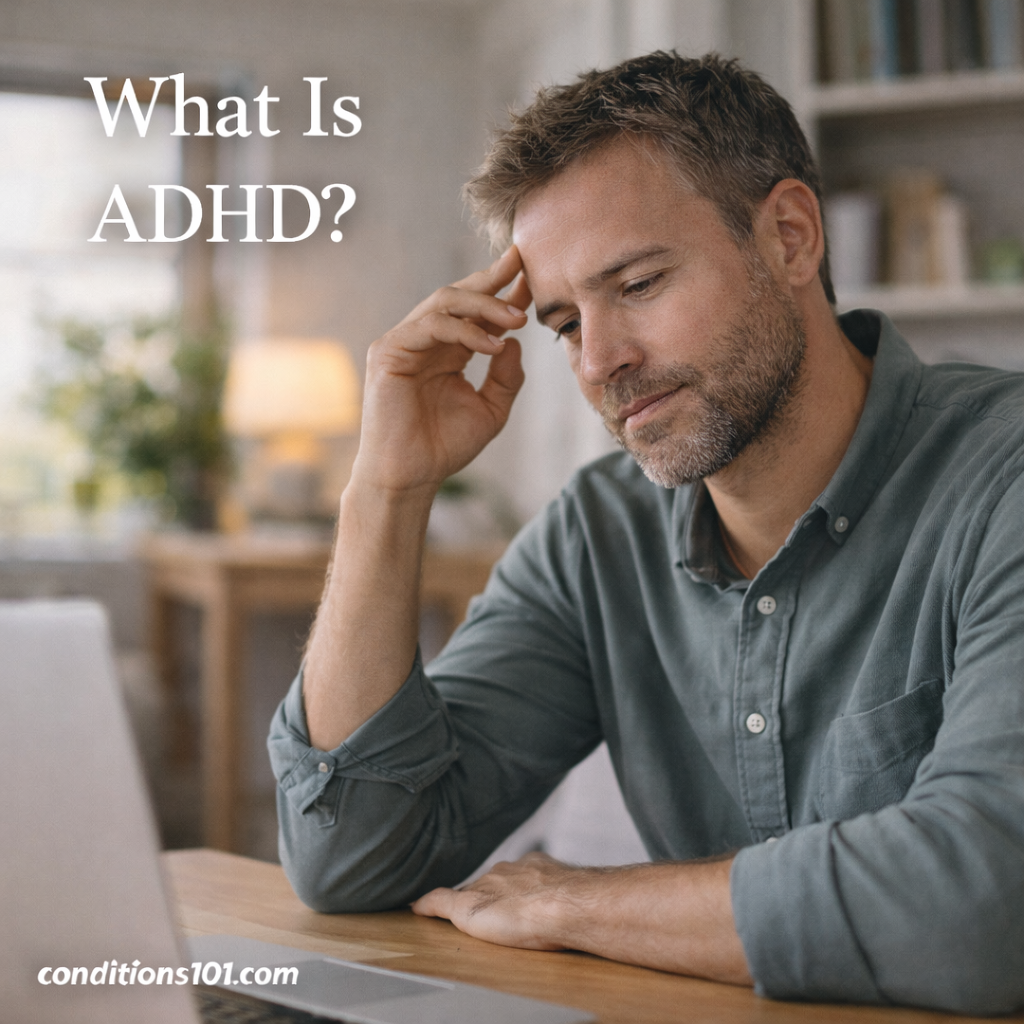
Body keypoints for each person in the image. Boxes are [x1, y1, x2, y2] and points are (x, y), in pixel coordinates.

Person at [268, 52, 1024, 1014]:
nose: (602, 363)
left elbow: (985, 905)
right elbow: (352, 853)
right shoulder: (596, 538)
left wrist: (579, 903)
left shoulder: (1005, 481)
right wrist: (383, 489)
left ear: (791, 238)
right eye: (563, 323)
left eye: (637, 284)